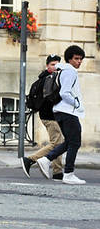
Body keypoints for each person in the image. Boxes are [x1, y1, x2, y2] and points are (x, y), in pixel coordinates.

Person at [35, 45, 86, 185]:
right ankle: (69, 173)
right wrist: (76, 103)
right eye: (76, 58)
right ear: (69, 59)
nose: (79, 62)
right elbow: (65, 93)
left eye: (81, 59)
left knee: (69, 142)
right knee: (75, 142)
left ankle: (45, 160)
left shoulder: (63, 70)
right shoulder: (70, 72)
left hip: (60, 112)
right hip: (68, 111)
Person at [21, 55, 64, 180]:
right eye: (52, 65)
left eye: (57, 65)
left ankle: (57, 172)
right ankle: (30, 160)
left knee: (58, 142)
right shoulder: (48, 79)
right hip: (50, 116)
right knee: (56, 143)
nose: (55, 67)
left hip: (49, 115)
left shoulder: (46, 78)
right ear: (47, 66)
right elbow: (51, 99)